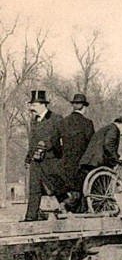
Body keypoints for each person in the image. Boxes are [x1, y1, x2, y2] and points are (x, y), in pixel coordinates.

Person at [23, 90, 69, 221]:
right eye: (31, 105)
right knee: (34, 189)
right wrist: (28, 157)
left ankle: (72, 207)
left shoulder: (56, 118)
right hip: (36, 161)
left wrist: (47, 145)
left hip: (51, 160)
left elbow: (62, 138)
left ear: (43, 105)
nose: (31, 108)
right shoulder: (34, 121)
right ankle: (30, 217)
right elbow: (32, 142)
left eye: (34, 105)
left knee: (57, 188)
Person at [59, 92, 95, 211]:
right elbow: (91, 143)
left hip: (66, 162)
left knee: (70, 188)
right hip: (82, 162)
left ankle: (68, 208)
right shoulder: (87, 123)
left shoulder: (64, 121)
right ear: (84, 107)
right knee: (83, 189)